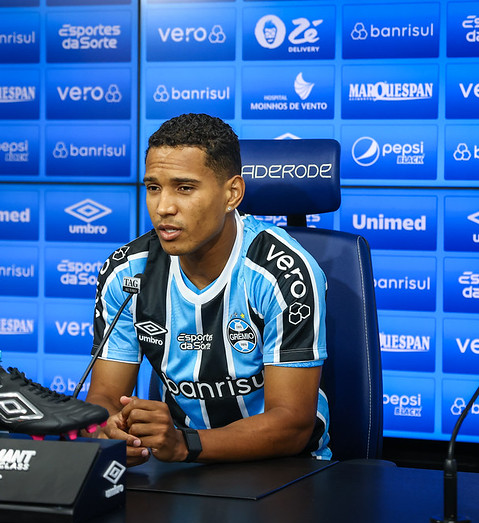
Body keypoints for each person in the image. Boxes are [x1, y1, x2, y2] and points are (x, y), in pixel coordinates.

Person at [85, 113, 330, 465]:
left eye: (184, 188)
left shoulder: (283, 273)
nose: (163, 207)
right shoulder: (127, 272)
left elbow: (292, 424)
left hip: (289, 471)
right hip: (182, 468)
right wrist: (110, 429)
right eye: (153, 187)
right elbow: (105, 395)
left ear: (232, 193)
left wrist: (187, 444)